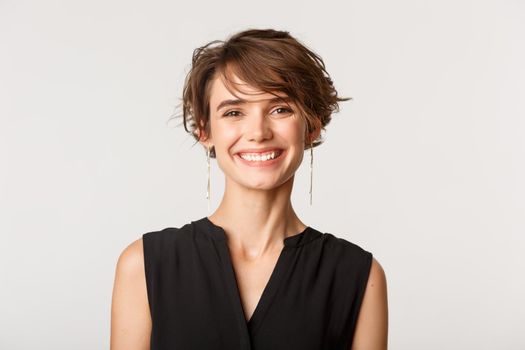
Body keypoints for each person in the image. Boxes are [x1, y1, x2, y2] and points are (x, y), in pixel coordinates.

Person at [110, 28, 388, 350]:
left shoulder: (359, 276)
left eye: (280, 109)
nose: (257, 132)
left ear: (311, 126)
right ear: (205, 130)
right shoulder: (144, 265)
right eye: (233, 112)